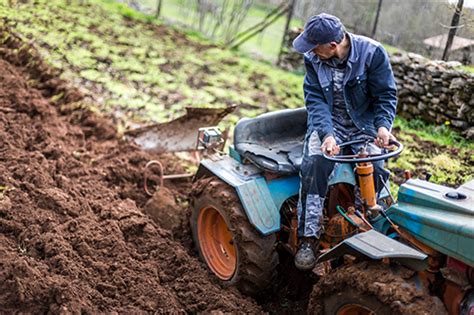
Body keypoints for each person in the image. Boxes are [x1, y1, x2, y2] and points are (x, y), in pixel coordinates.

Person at [292, 13, 398, 270]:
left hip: (364, 127)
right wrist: (327, 135)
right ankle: (308, 238)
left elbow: (385, 95)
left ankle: (373, 225)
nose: (310, 52)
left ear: (333, 45)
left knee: (378, 169)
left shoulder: (372, 54)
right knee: (314, 165)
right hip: (329, 125)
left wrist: (383, 127)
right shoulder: (313, 59)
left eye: (314, 46)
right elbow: (315, 101)